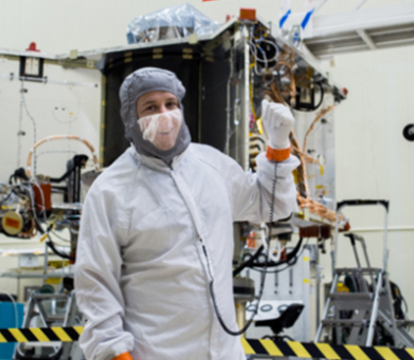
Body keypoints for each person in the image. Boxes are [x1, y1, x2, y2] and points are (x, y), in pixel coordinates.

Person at [75, 67, 300, 360]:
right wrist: (115, 353)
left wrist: (278, 147)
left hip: (223, 353)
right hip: (155, 353)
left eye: (171, 104)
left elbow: (271, 205)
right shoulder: (111, 190)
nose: (164, 114)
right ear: (131, 117)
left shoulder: (212, 165)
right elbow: (96, 283)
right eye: (150, 107)